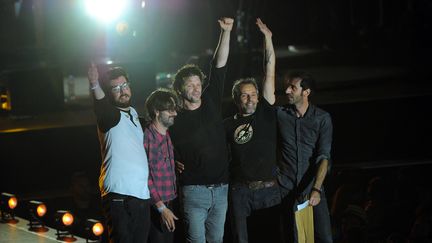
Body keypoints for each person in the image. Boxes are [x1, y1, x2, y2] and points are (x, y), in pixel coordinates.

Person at [169, 17, 234, 243]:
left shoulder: (211, 101)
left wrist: (225, 32)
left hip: (222, 188)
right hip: (194, 191)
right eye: (190, 85)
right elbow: (157, 144)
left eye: (198, 84)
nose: (196, 89)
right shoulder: (173, 117)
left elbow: (219, 64)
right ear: (180, 88)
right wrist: (172, 158)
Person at [223, 18, 281, 243]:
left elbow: (269, 71)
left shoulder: (265, 113)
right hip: (241, 193)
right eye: (244, 95)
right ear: (237, 99)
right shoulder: (227, 125)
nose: (250, 98)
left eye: (253, 94)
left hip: (269, 191)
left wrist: (268, 37)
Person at [88, 64, 151, 243]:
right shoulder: (110, 116)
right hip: (119, 193)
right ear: (109, 93)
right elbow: (101, 106)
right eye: (115, 88)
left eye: (124, 85)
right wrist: (94, 84)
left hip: (141, 194)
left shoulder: (134, 114)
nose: (122, 91)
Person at [277, 72, 333, 243]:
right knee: (293, 237)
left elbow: (324, 156)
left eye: (293, 87)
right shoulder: (280, 114)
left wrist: (316, 189)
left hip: (311, 188)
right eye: (287, 86)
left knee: (324, 238)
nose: (287, 90)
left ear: (306, 92)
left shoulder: (322, 118)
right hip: (286, 189)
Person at [143, 89, 179, 243]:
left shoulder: (166, 134)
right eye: (170, 110)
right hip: (156, 207)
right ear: (157, 111)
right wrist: (161, 207)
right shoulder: (148, 137)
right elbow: (145, 176)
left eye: (174, 109)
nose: (175, 113)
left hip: (169, 202)